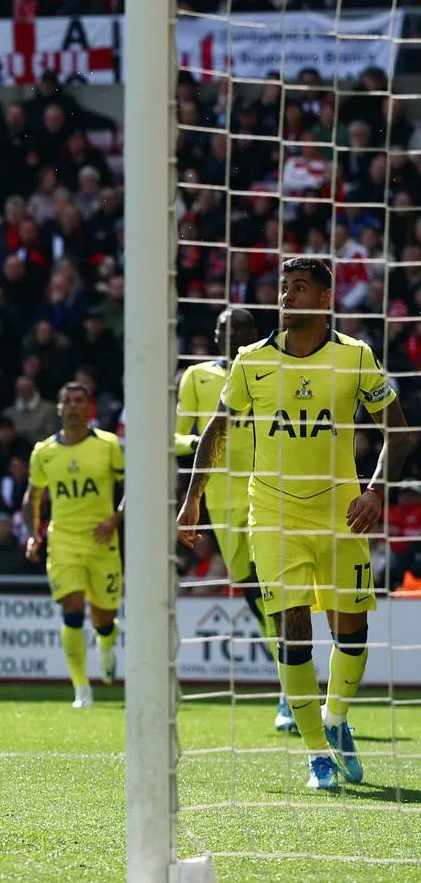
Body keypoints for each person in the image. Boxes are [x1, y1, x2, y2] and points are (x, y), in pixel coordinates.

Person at [179, 258, 412, 791]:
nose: (286, 295)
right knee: (292, 629)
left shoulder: (355, 357)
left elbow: (399, 432)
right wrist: (193, 499)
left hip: (341, 511)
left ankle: (335, 719)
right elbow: (216, 429)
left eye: (300, 287)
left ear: (326, 298)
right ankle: (316, 754)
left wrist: (376, 491)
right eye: (282, 287)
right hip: (273, 512)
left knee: (351, 632)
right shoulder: (250, 361)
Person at [176, 308, 294, 733]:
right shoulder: (196, 378)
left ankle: (290, 693)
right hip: (222, 501)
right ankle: (291, 682)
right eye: (226, 328)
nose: (233, 335)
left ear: (254, 334)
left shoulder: (271, 367)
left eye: (241, 329)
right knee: (252, 594)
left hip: (268, 492)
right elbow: (176, 433)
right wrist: (197, 440)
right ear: (215, 334)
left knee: (274, 587)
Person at [25, 382, 123, 709]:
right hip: (63, 540)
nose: (72, 406)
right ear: (59, 408)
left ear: (89, 406)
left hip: (102, 542)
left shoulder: (108, 445)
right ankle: (81, 687)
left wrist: (116, 519)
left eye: (79, 400)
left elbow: (131, 484)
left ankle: (106, 644)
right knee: (72, 609)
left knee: (103, 618)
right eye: (66, 401)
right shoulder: (44, 452)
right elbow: (33, 495)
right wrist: (32, 534)